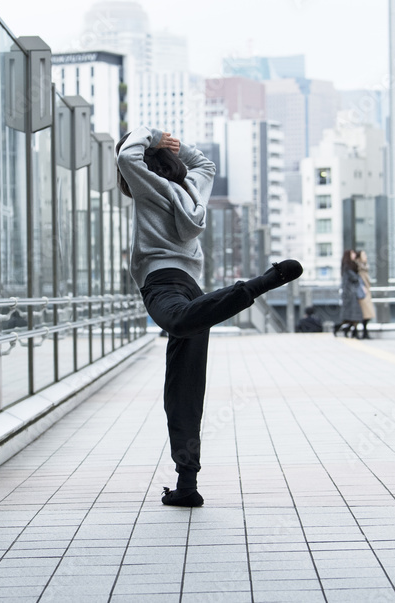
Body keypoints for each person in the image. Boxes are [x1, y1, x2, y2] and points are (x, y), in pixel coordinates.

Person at [117, 126, 302, 508]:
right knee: (185, 390)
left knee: (180, 325)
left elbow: (125, 157)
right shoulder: (194, 188)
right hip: (192, 287)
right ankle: (187, 485)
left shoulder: (148, 184)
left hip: (162, 283)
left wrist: (150, 135)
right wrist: (177, 146)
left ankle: (253, 286)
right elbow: (205, 163)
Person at [334, 249, 363, 337]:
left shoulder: (349, 265)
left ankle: (351, 331)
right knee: (351, 315)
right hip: (350, 294)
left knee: (353, 315)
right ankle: (346, 330)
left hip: (351, 293)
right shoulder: (348, 266)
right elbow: (354, 278)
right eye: (352, 253)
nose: (354, 255)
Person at [356, 250, 376, 339]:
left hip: (366, 292)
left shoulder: (364, 267)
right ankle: (361, 332)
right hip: (362, 293)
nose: (366, 257)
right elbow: (358, 279)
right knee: (364, 314)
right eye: (364, 255)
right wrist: (362, 287)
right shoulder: (358, 267)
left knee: (367, 314)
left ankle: (364, 332)